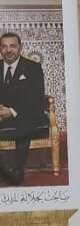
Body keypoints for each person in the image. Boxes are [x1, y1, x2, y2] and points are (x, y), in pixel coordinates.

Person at [0, 31, 46, 185]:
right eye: (4, 46)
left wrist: (12, 111)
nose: (8, 50)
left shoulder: (33, 68)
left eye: (12, 46)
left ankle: (15, 170)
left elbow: (36, 98)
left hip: (25, 114)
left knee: (25, 122)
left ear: (20, 47)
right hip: (2, 115)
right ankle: (6, 170)